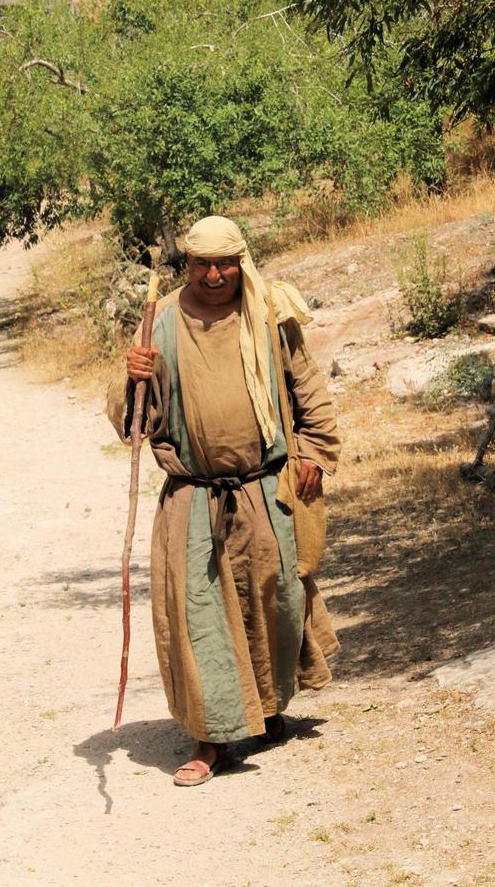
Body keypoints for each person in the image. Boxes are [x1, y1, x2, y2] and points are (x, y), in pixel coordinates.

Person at [107, 215, 341, 786]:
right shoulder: (160, 323)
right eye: (201, 264)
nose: (214, 275)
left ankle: (263, 710)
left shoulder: (268, 315)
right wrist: (132, 379)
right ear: (186, 264)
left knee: (275, 607)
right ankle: (209, 740)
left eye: (225, 264)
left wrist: (311, 453)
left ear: (242, 262)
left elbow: (309, 392)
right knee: (200, 620)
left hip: (265, 490)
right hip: (193, 497)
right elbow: (133, 424)